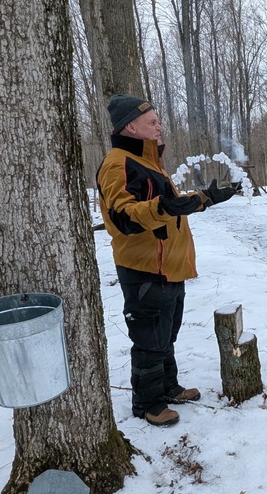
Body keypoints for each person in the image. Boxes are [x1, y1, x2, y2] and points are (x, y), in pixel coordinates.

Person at [96, 94, 235, 427]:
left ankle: (168, 387)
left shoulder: (147, 161)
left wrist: (206, 198)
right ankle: (148, 403)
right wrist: (165, 207)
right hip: (145, 269)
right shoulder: (119, 162)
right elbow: (124, 216)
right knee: (149, 340)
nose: (160, 127)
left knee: (165, 336)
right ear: (130, 125)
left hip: (169, 268)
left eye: (158, 121)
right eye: (152, 122)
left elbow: (168, 205)